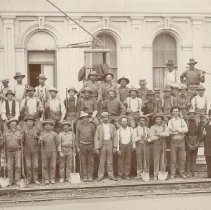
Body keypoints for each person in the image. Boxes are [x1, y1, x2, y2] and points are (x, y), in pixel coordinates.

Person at [94, 112, 118, 181]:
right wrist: (97, 147)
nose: (105, 118)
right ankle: (100, 176)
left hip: (110, 143)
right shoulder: (99, 127)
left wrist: (115, 146)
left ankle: (111, 175)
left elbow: (115, 136)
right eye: (104, 117)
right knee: (102, 161)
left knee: (110, 161)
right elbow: (96, 138)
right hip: (102, 144)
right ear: (101, 118)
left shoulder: (112, 126)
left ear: (108, 118)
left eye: (107, 117)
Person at [168, 106, 188, 179]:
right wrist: (178, 130)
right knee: (173, 158)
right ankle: (173, 173)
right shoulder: (170, 121)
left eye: (177, 111)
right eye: (174, 111)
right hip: (173, 141)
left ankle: (182, 172)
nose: (176, 112)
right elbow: (169, 131)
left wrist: (176, 130)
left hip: (181, 141)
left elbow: (186, 129)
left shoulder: (182, 120)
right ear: (172, 112)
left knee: (182, 158)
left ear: (179, 112)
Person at [76, 112, 95, 182]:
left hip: (90, 145)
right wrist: (77, 147)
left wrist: (94, 146)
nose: (85, 120)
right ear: (81, 119)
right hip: (82, 145)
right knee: (83, 162)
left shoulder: (92, 126)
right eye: (83, 118)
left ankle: (90, 176)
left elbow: (94, 136)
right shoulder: (79, 126)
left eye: (86, 118)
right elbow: (77, 137)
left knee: (90, 162)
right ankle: (84, 176)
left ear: (88, 118)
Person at [150, 113, 169, 180]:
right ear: (155, 120)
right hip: (156, 144)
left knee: (163, 159)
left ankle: (162, 172)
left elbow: (167, 133)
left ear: (161, 120)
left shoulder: (164, 126)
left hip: (163, 143)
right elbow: (151, 137)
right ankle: (155, 174)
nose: (158, 120)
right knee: (156, 159)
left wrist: (159, 134)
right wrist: (159, 136)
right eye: (157, 119)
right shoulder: (152, 127)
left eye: (159, 119)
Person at [22, 115, 40, 184]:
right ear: (26, 122)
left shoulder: (36, 129)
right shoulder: (24, 130)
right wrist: (21, 138)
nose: (30, 122)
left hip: (35, 150)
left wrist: (37, 137)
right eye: (28, 121)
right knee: (28, 166)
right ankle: (29, 179)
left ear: (33, 122)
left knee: (35, 165)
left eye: (31, 121)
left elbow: (41, 138)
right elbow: (22, 141)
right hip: (27, 150)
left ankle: (35, 179)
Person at [4, 118, 22, 185]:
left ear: (16, 125)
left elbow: (22, 143)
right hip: (9, 152)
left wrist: (21, 141)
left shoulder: (19, 132)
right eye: (12, 124)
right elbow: (3, 142)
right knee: (9, 167)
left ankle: (17, 180)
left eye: (14, 124)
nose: (13, 125)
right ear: (9, 125)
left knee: (18, 166)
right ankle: (10, 180)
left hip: (17, 151)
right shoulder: (6, 133)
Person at [39, 119, 58, 184]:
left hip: (53, 151)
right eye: (46, 125)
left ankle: (52, 179)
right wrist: (40, 140)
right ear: (44, 126)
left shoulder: (54, 134)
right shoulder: (42, 133)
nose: (47, 126)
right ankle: (46, 179)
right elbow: (39, 144)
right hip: (44, 151)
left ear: (51, 126)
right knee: (45, 166)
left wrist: (57, 151)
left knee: (52, 166)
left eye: (49, 125)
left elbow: (57, 143)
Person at [133, 115, 151, 180]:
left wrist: (148, 139)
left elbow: (151, 137)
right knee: (139, 160)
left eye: (143, 120)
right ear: (138, 121)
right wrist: (140, 137)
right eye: (140, 120)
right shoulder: (135, 129)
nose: (142, 122)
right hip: (139, 145)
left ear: (145, 122)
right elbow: (134, 139)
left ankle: (146, 172)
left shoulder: (147, 129)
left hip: (146, 145)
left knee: (147, 159)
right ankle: (139, 174)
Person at [185, 110, 202, 178]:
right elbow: (185, 134)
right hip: (188, 140)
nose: (192, 115)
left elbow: (200, 134)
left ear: (194, 115)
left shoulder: (197, 123)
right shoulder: (186, 123)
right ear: (188, 115)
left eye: (193, 114)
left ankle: (193, 171)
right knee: (188, 158)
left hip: (195, 140)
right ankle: (188, 172)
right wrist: (188, 143)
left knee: (194, 158)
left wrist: (198, 143)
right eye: (190, 114)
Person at [202, 109, 211, 178]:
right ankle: (209, 174)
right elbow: (202, 138)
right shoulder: (206, 125)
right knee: (208, 161)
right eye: (210, 115)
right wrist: (203, 135)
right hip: (208, 147)